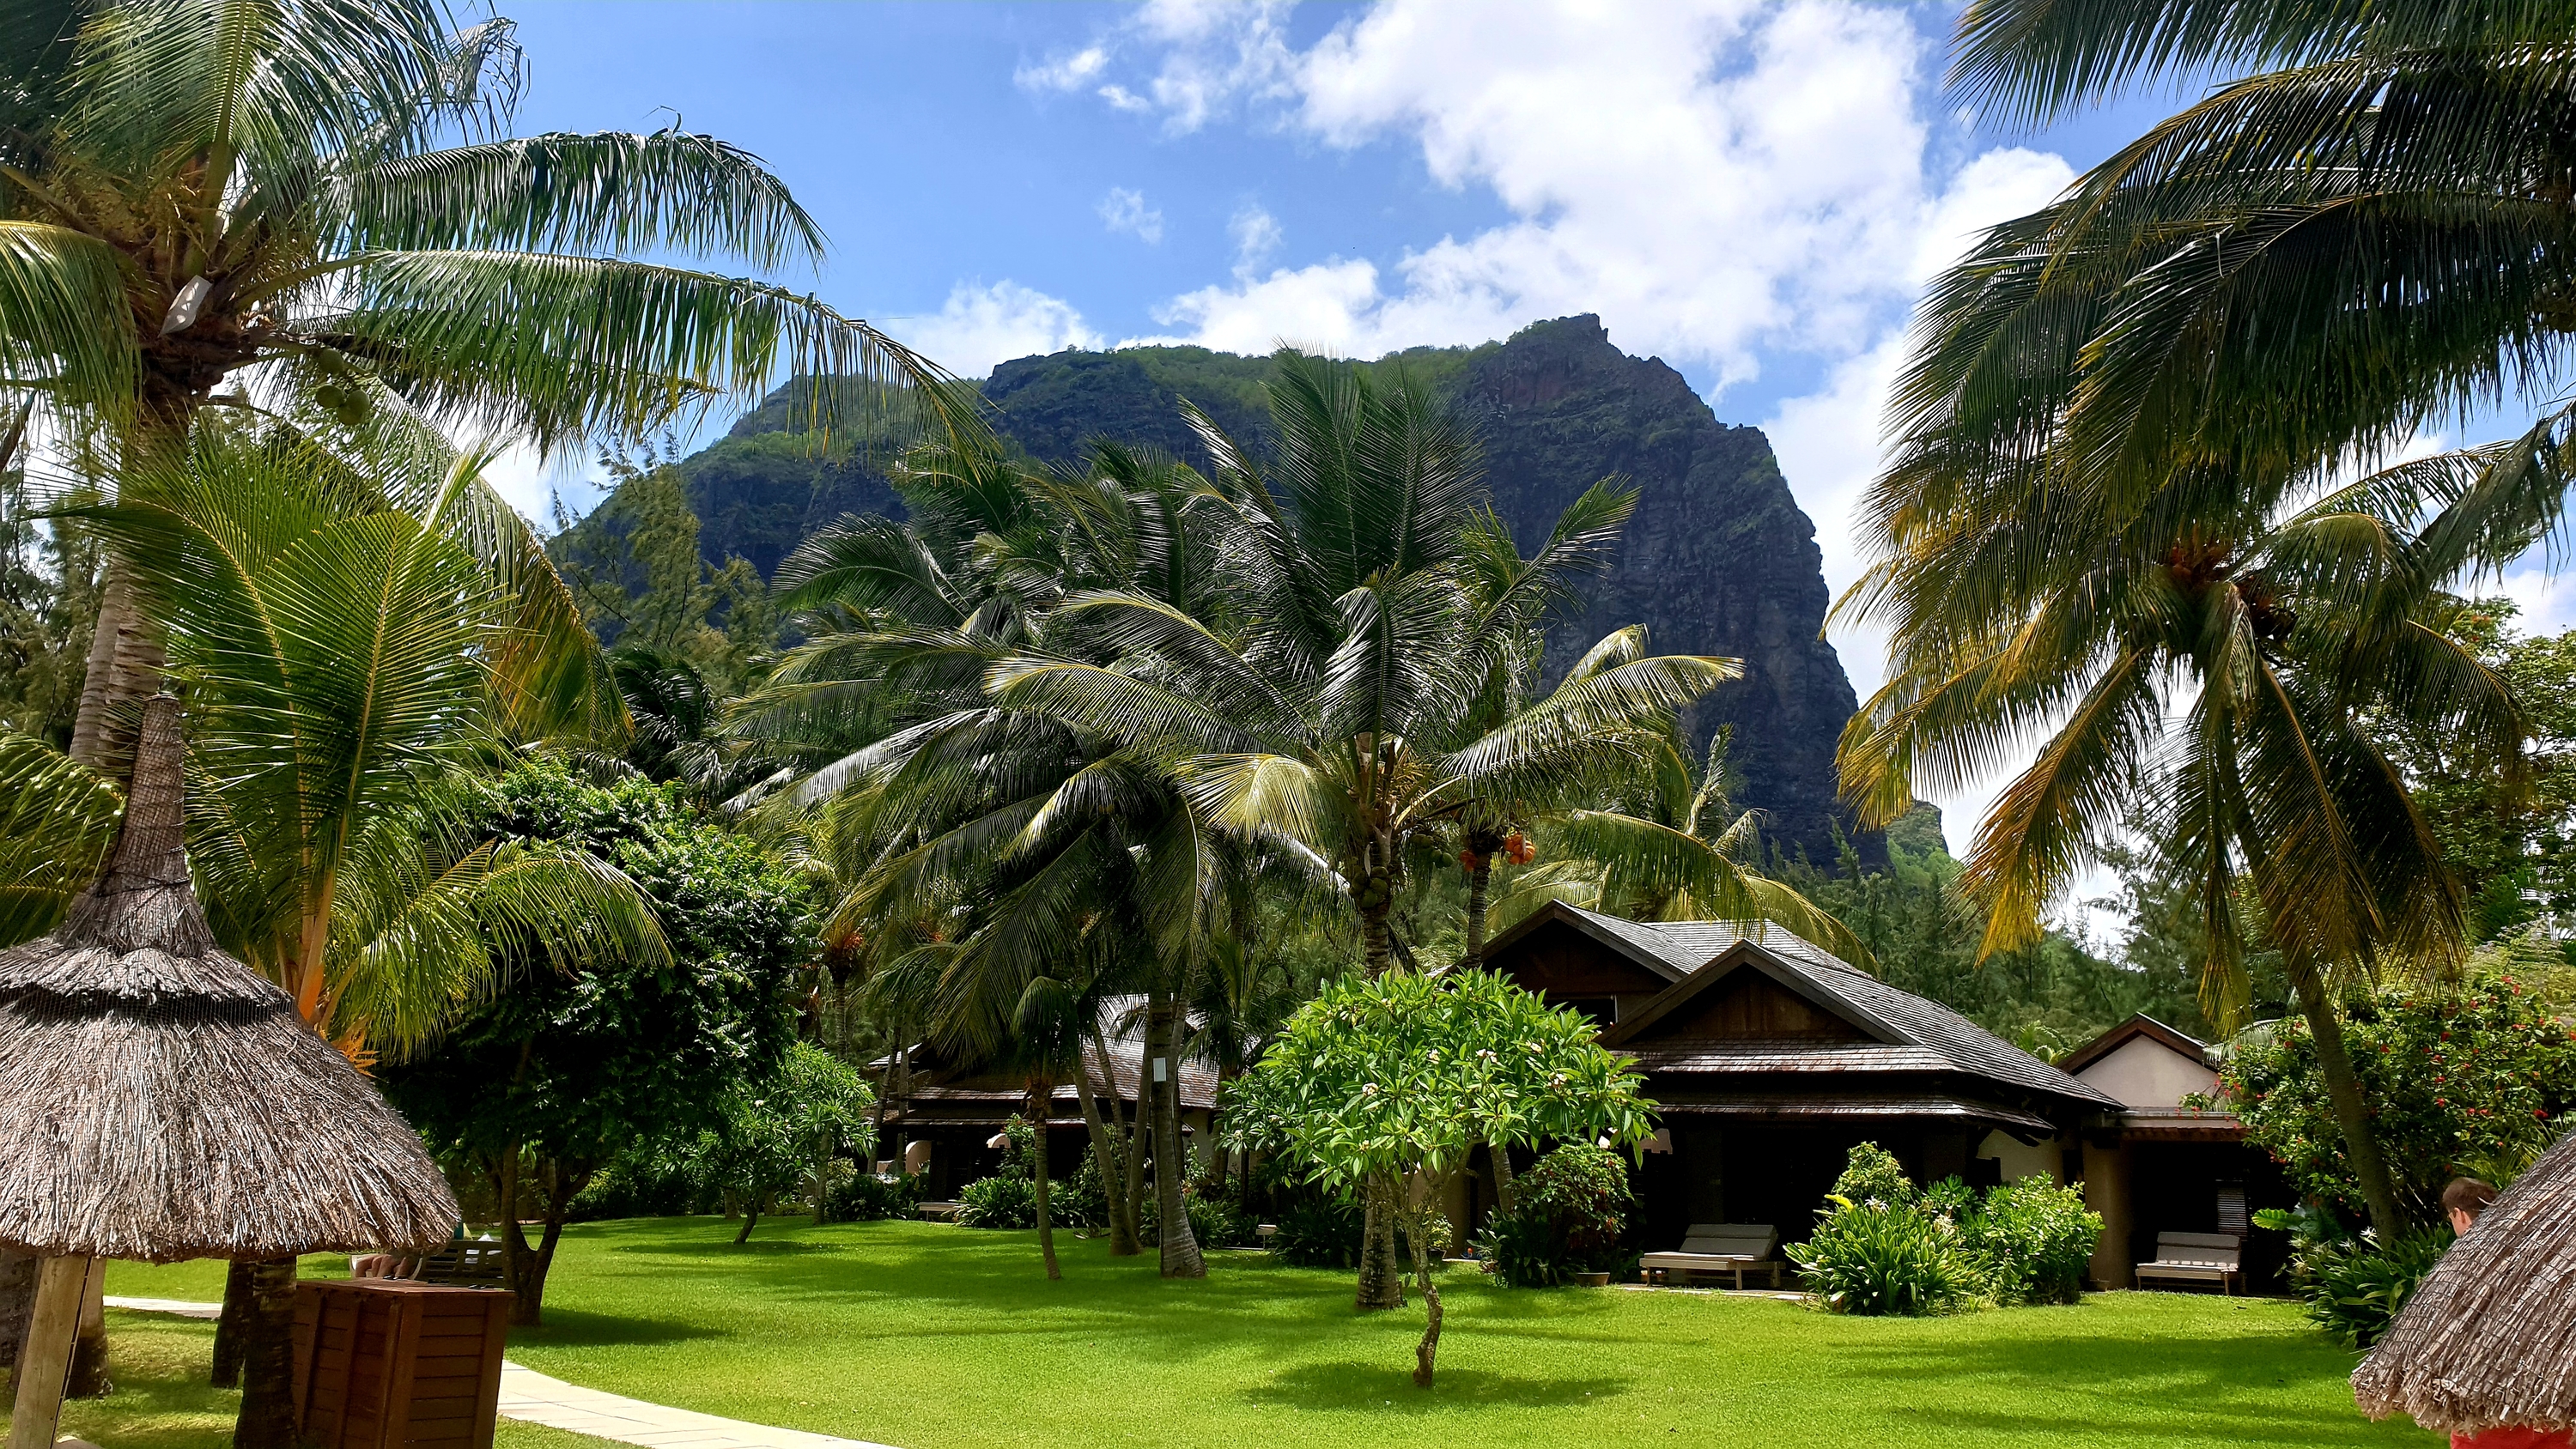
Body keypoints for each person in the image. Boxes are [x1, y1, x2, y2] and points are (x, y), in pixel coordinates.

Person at [2438, 1178, 2570, 1449]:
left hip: (2485, 1418)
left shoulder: (2462, 1268)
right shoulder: (2545, 1255)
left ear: (2459, 1215)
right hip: (2550, 1413)